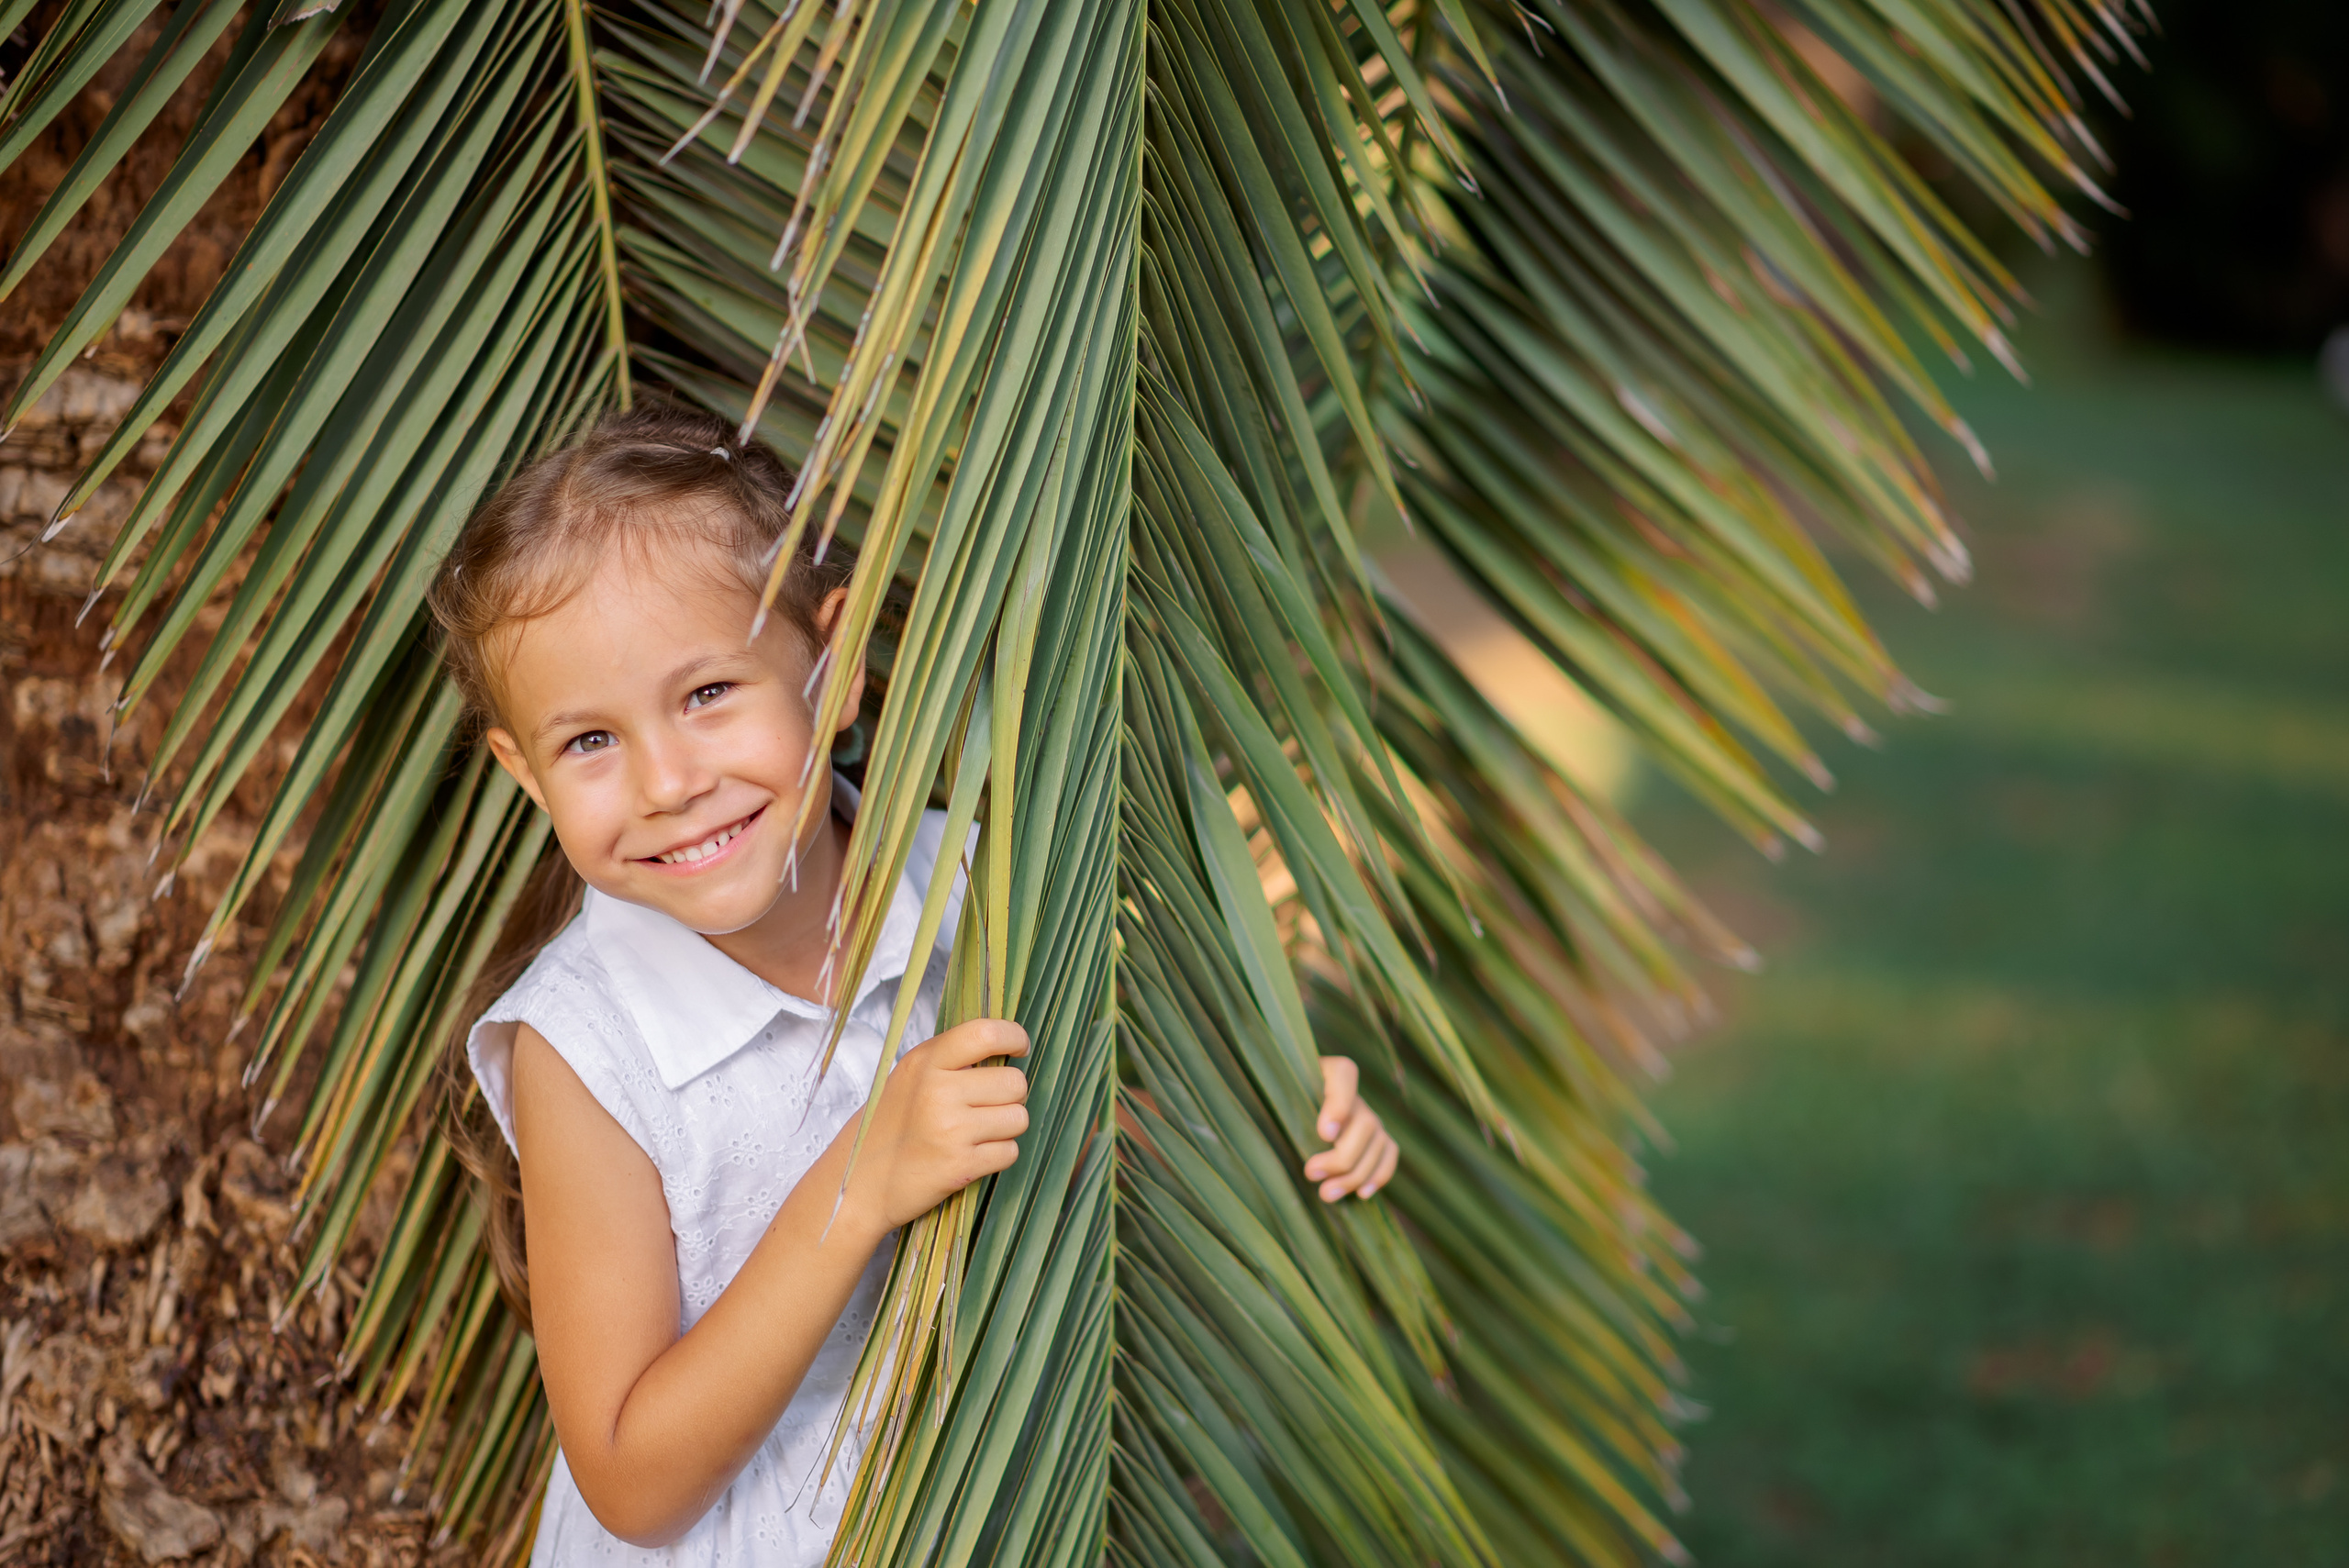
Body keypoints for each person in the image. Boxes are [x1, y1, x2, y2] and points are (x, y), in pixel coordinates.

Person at [427, 404, 1401, 1564]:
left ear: (832, 664)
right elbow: (633, 1482)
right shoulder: (586, 1047)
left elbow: (1098, 1130)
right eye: (589, 741)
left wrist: (1277, 1107)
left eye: (708, 693)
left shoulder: (988, 888)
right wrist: (857, 1188)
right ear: (524, 770)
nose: (667, 781)